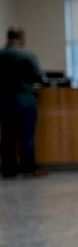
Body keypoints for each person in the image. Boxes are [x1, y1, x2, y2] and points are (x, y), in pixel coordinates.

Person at [0, 26, 47, 178]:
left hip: (4, 102)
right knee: (27, 136)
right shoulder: (27, 54)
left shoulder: (1, 54)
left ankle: (8, 170)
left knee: (7, 136)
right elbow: (39, 77)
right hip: (25, 100)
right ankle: (28, 168)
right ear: (21, 37)